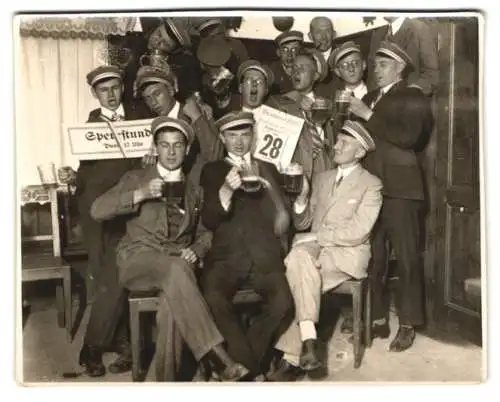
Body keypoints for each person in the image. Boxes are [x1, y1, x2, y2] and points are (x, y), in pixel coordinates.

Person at [90, 116, 250, 382]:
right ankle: (219, 356)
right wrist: (140, 194)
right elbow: (97, 210)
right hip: (138, 260)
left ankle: (160, 383)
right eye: (165, 145)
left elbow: (206, 232)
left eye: (178, 145)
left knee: (172, 306)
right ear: (155, 148)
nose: (172, 151)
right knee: (178, 270)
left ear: (187, 150)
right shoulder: (135, 178)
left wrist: (197, 249)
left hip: (177, 268)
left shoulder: (194, 190)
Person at [268, 120, 382, 381]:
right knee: (298, 259)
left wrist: (316, 237)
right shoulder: (321, 178)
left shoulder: (371, 184)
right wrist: (301, 200)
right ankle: (309, 340)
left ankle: (290, 357)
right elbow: (303, 223)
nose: (337, 145)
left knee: (299, 273)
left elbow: (358, 232)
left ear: (360, 152)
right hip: (314, 251)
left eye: (345, 143)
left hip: (347, 255)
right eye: (338, 140)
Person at [348, 41, 434, 352]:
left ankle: (409, 323)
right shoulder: (369, 98)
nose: (375, 70)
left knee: (408, 258)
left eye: (383, 64)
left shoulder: (413, 96)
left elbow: (409, 137)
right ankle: (378, 318)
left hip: (401, 191)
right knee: (373, 258)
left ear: (400, 67)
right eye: (375, 64)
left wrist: (368, 114)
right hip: (371, 190)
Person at [57, 65, 141, 376]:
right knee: (107, 277)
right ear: (95, 94)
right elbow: (86, 170)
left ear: (122, 88)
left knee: (115, 276)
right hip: (94, 210)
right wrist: (72, 177)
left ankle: (91, 348)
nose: (110, 94)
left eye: (114, 87)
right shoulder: (91, 122)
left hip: (127, 208)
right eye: (103, 89)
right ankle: (122, 341)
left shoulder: (138, 118)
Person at [200, 111, 294, 380]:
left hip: (264, 257)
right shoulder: (213, 170)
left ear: (254, 136)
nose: (239, 142)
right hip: (226, 258)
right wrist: (226, 192)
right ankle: (253, 369)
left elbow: (282, 220)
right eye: (232, 135)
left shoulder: (269, 168)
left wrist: (280, 197)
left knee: (284, 301)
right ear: (222, 137)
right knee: (213, 297)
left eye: (244, 134)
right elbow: (209, 220)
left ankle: (241, 366)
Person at [135, 66, 224, 182]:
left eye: (157, 94)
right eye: (147, 98)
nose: (153, 102)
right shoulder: (148, 125)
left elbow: (215, 156)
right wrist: (148, 169)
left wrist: (197, 118)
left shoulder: (196, 114)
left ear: (171, 91)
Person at [269, 52, 336, 182]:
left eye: (303, 68)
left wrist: (317, 120)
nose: (296, 72)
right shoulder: (278, 104)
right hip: (296, 176)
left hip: (326, 175)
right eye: (294, 68)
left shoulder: (327, 106)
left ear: (315, 76)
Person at [367, 17, 438, 97]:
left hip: (409, 103)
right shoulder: (377, 34)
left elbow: (432, 76)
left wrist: (410, 92)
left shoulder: (420, 29)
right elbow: (372, 79)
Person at [139, 17, 202, 101]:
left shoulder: (184, 64)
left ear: (174, 51)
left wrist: (173, 79)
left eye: (165, 44)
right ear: (157, 26)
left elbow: (190, 95)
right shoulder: (134, 43)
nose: (157, 42)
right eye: (159, 34)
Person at [308, 17, 342, 100]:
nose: (323, 37)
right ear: (310, 36)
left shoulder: (342, 56)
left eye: (327, 31)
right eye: (318, 32)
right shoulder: (304, 57)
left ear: (334, 34)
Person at [269, 30, 304, 95]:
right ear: (278, 52)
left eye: (294, 50)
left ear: (300, 52)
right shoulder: (272, 71)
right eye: (285, 50)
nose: (289, 55)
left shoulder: (305, 69)